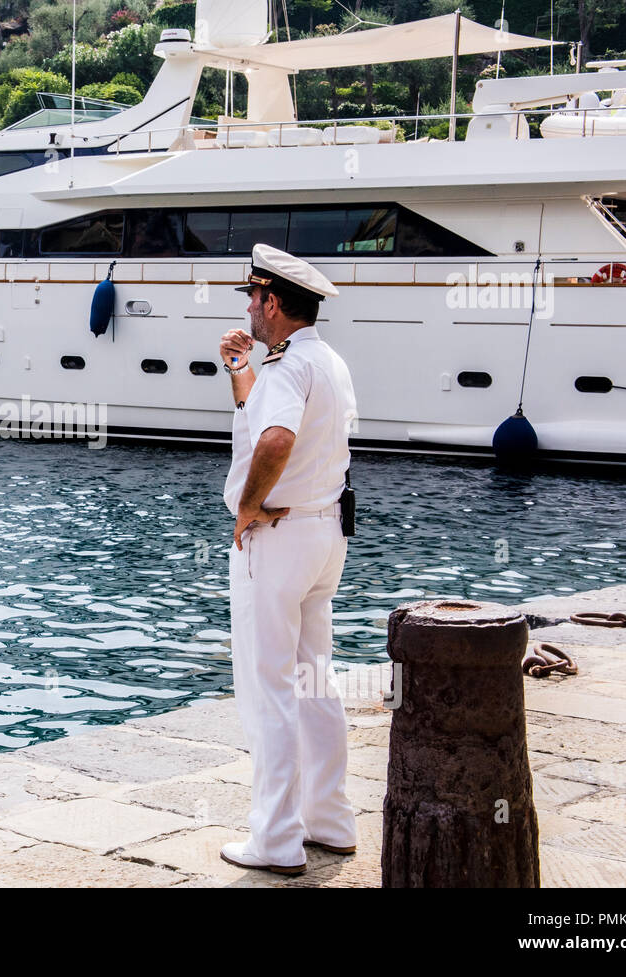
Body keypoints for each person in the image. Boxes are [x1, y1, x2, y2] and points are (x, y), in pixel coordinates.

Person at [217, 242, 358, 876]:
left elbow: (275, 438)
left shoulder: (286, 370)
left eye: (252, 296)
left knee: (267, 690)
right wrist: (239, 370)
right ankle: (328, 821)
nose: (248, 306)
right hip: (323, 537)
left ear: (271, 302)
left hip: (275, 544)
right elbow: (263, 420)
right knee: (313, 683)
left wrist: (247, 507)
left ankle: (274, 841)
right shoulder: (324, 362)